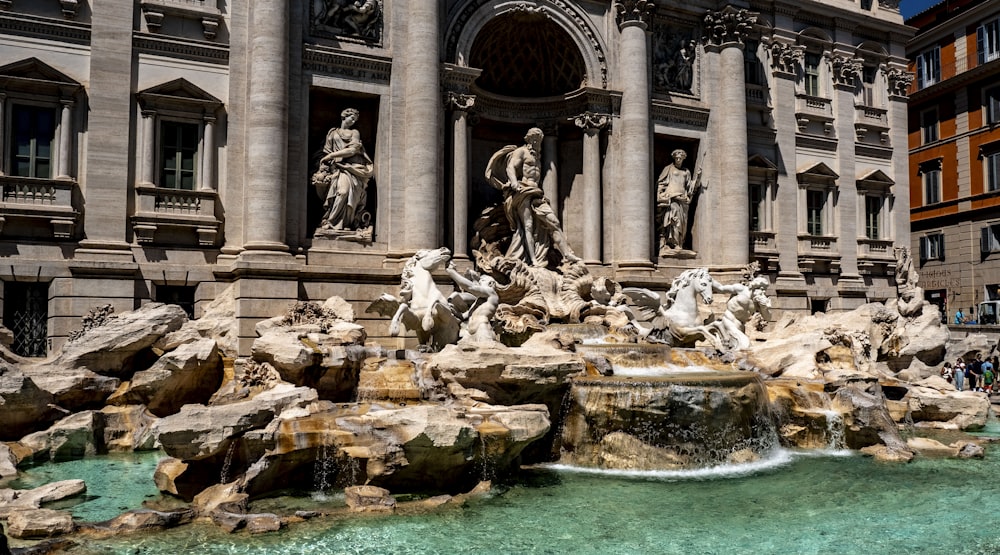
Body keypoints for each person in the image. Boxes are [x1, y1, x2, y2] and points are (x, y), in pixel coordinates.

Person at [486, 127, 580, 268]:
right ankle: (533, 260)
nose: (537, 142)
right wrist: (514, 182)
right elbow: (510, 168)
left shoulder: (537, 155)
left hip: (536, 192)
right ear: (528, 139)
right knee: (528, 226)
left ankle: (566, 253)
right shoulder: (521, 151)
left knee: (553, 221)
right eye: (534, 139)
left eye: (539, 140)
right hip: (523, 190)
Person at [313, 108, 374, 233]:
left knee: (345, 193)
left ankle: (342, 223)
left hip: (352, 168)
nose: (353, 121)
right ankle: (332, 222)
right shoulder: (332, 133)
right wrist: (326, 165)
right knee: (341, 192)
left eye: (355, 119)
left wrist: (331, 156)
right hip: (336, 169)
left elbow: (352, 150)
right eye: (352, 118)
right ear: (344, 117)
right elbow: (326, 151)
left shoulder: (354, 133)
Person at [656, 149, 703, 253]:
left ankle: (680, 243)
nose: (678, 159)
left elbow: (691, 187)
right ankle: (673, 243)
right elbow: (661, 183)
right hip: (672, 198)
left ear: (683, 158)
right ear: (674, 157)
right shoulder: (668, 169)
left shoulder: (686, 171)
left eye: (680, 158)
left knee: (683, 223)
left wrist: (698, 177)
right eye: (676, 158)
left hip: (683, 199)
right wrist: (661, 195)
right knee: (673, 220)